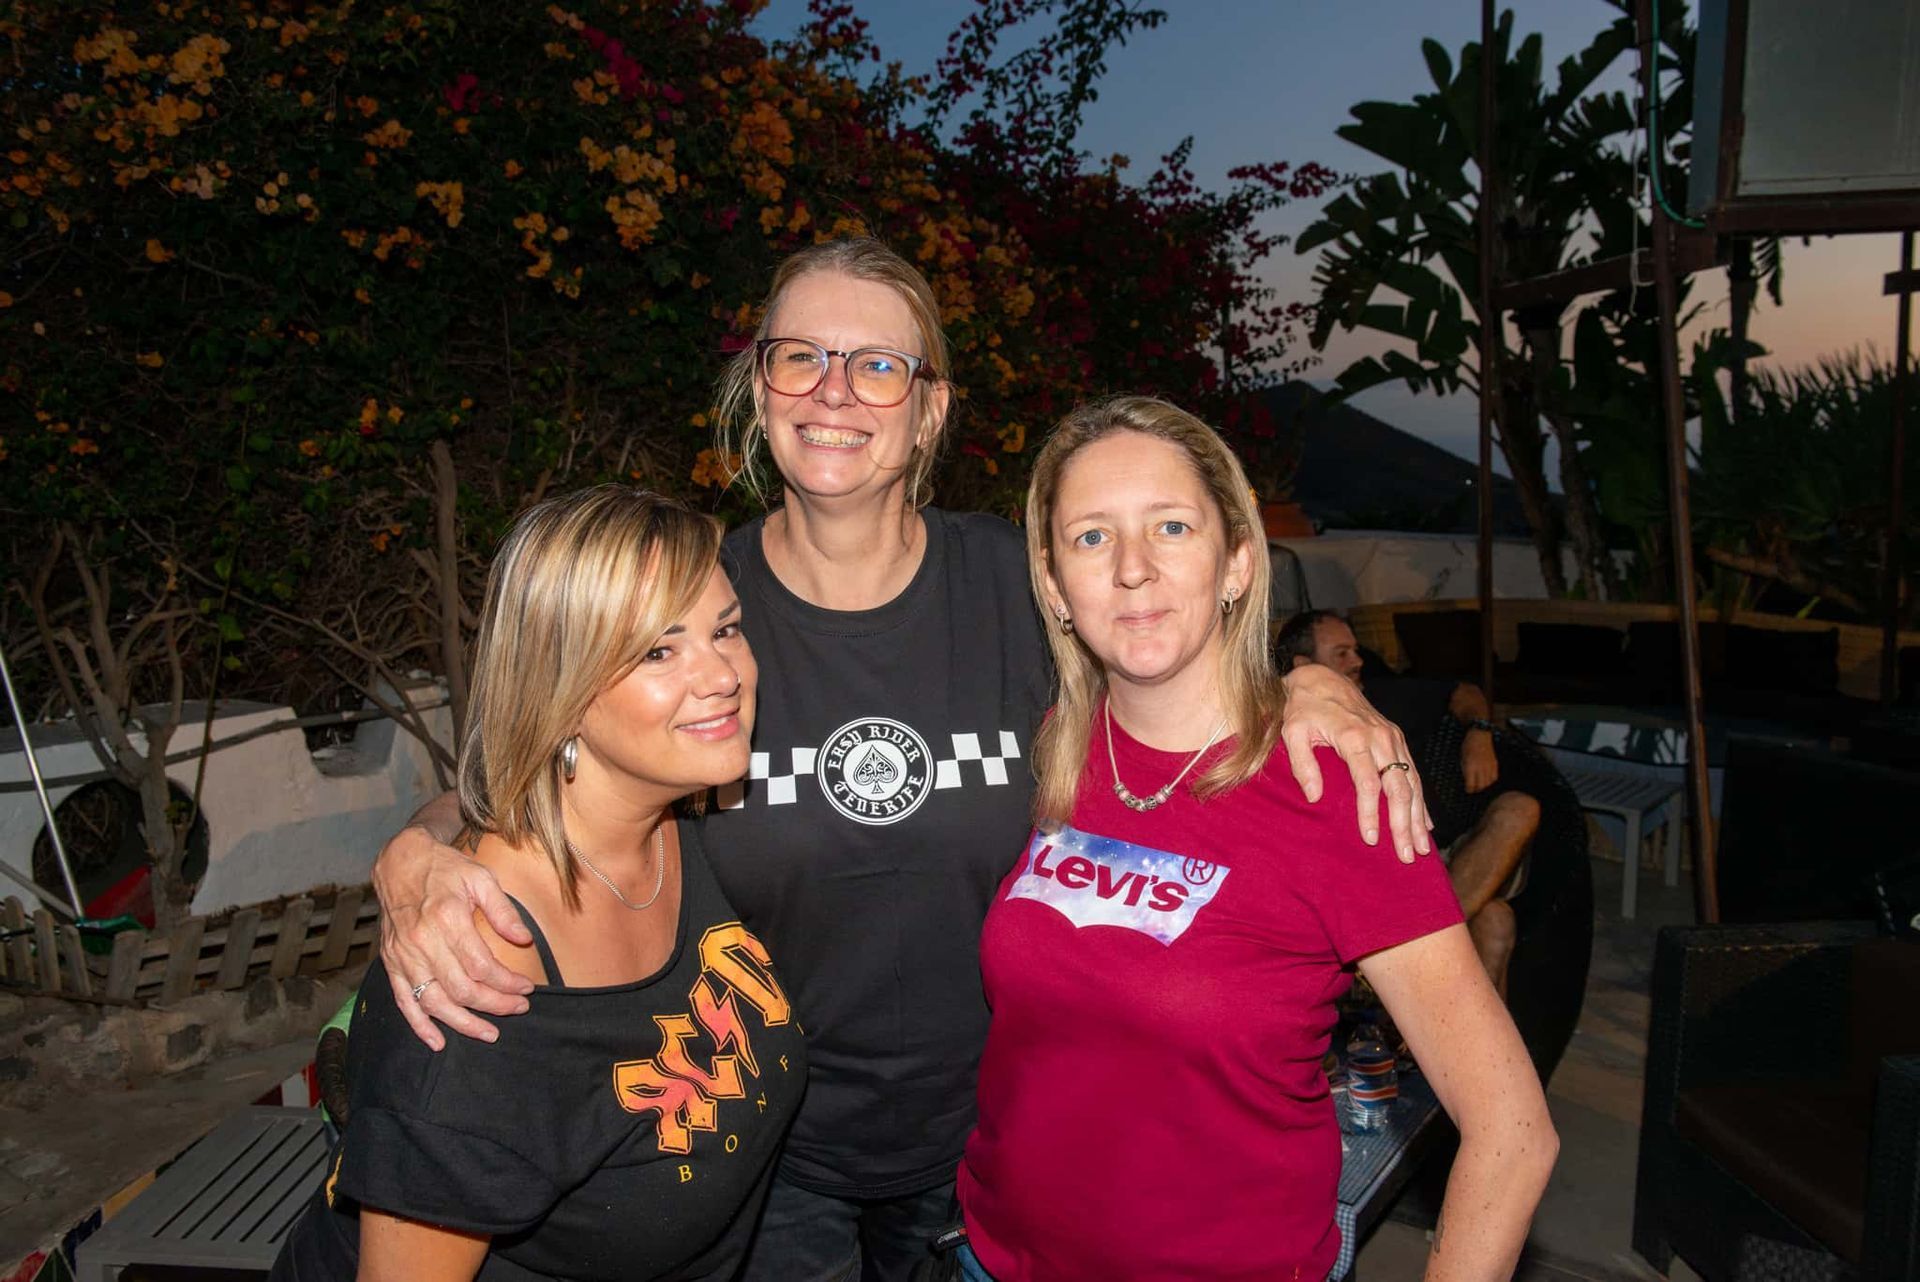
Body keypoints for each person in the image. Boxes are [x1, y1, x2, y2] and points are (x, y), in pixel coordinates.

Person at [369, 239, 1435, 1282]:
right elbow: (542, 762)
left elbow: (1175, 670)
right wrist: (417, 853)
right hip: (762, 1149)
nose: (834, 392)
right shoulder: (700, 610)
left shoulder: (1019, 588)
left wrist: (1303, 683)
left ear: (929, 409)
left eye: (878, 364)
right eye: (801, 357)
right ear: (759, 387)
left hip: (995, 1141)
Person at [954, 397, 1556, 1281]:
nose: (1132, 569)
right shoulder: (1053, 747)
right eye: (1091, 536)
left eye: (1171, 526)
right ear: (1052, 584)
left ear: (1237, 561)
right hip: (995, 1259)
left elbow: (1513, 1131)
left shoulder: (1333, 785)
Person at [273, 486, 807, 1281]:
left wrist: (413, 840)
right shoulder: (479, 979)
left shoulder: (681, 817)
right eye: (657, 652)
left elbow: (483, 791)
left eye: (724, 629)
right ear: (561, 688)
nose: (722, 675)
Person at [1276, 609, 1541, 996]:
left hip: (1444, 855)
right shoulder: (1288, 729)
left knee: (1520, 808)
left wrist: (1479, 732)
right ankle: (1438, 992)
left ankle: (1426, 944)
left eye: (1356, 650)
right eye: (1342, 654)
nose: (1358, 661)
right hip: (1374, 868)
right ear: (1304, 667)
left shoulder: (1383, 694)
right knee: (1496, 920)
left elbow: (1464, 692)